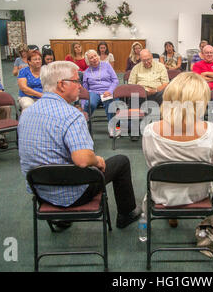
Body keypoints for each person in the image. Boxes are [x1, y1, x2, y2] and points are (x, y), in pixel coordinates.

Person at [18, 61, 141, 229]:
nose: (80, 87)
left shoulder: (26, 113)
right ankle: (126, 214)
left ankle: (62, 218)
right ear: (61, 84)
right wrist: (97, 160)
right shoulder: (71, 115)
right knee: (121, 161)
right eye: (76, 81)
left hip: (40, 192)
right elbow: (83, 160)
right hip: (73, 193)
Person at [142, 72, 213, 228]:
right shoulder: (211, 131)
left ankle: (172, 213)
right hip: (198, 194)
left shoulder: (150, 131)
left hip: (163, 194)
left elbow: (150, 164)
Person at [82, 50, 120, 138]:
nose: (94, 58)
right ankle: (84, 123)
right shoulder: (87, 72)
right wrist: (83, 104)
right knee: (89, 103)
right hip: (94, 91)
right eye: (91, 58)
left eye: (95, 56)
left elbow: (115, 80)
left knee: (110, 102)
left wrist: (110, 91)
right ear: (88, 61)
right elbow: (85, 88)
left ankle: (112, 126)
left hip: (107, 90)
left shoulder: (106, 65)